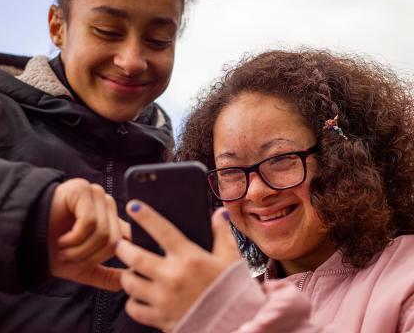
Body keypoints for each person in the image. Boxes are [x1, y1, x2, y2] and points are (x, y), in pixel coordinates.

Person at [0, 0, 226, 332]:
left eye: (158, 39)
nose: (132, 60)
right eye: (107, 30)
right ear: (58, 26)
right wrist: (31, 209)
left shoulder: (182, 175)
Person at [116, 49, 414, 332]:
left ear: (342, 157)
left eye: (281, 159)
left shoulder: (406, 278)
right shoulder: (205, 305)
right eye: (230, 171)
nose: (256, 192)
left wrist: (225, 315)